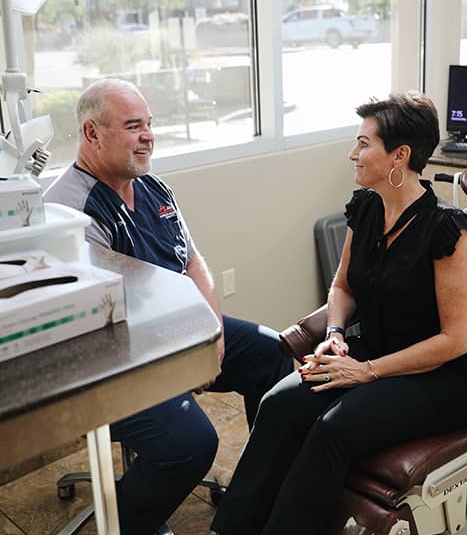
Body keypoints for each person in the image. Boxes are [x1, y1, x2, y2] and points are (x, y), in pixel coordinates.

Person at [210, 92, 467, 535]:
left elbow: (455, 340)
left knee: (332, 431)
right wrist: (336, 333)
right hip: (368, 349)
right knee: (279, 404)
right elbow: (342, 286)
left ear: (399, 155)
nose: (352, 155)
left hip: (437, 376)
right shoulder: (366, 208)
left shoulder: (447, 231)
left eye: (363, 144)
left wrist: (367, 371)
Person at [44, 78, 293, 535]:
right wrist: (185, 359)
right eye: (133, 126)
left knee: (274, 354)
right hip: (112, 362)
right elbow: (107, 321)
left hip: (179, 332)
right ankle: (127, 524)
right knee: (192, 442)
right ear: (92, 134)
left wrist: (212, 333)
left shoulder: (154, 188)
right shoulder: (69, 212)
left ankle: (256, 496)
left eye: (150, 124)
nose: (148, 136)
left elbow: (193, 262)